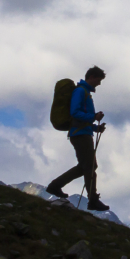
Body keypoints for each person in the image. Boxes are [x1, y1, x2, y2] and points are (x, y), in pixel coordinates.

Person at [47, 66, 110, 211]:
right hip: (80, 135)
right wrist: (94, 117)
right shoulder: (80, 91)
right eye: (98, 80)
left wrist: (96, 128)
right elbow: (75, 113)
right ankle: (92, 200)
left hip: (82, 133)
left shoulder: (84, 92)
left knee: (85, 166)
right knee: (90, 166)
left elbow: (81, 119)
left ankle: (56, 186)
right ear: (91, 77)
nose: (99, 84)